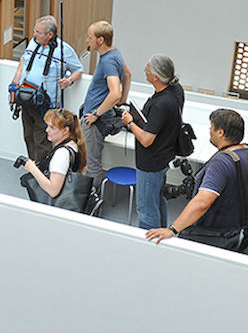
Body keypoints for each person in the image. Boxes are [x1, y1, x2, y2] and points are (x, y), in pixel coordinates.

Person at [146, 109, 248, 247]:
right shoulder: (244, 151)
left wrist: (172, 229)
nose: (209, 130)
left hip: (215, 232)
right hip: (238, 228)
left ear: (220, 132)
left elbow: (202, 203)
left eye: (212, 127)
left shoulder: (221, 163)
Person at [122, 55, 184, 229]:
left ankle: (148, 246)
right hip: (164, 157)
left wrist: (130, 122)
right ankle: (161, 235)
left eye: (147, 69)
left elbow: (147, 140)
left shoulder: (161, 104)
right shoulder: (176, 90)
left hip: (150, 163)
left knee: (146, 208)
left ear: (156, 77)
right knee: (158, 200)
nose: (144, 70)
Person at [11, 15, 83, 162]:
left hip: (45, 103)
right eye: (35, 30)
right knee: (28, 135)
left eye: (38, 32)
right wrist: (16, 77)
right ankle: (33, 166)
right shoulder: (33, 43)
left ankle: (41, 172)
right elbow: (24, 60)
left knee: (41, 139)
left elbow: (78, 69)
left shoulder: (64, 50)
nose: (34, 34)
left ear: (50, 35)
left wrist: (68, 81)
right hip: (26, 98)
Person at [81, 20, 132, 188]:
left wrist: (96, 114)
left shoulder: (107, 61)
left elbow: (114, 93)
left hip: (95, 121)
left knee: (93, 164)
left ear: (100, 40)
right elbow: (128, 75)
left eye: (90, 37)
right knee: (92, 162)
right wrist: (123, 100)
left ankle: (92, 203)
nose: (87, 41)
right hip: (103, 117)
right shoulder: (115, 53)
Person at [22, 108, 88, 198]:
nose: (47, 130)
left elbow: (53, 191)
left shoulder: (61, 154)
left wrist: (32, 169)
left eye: (52, 128)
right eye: (47, 126)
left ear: (65, 130)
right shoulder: (74, 144)